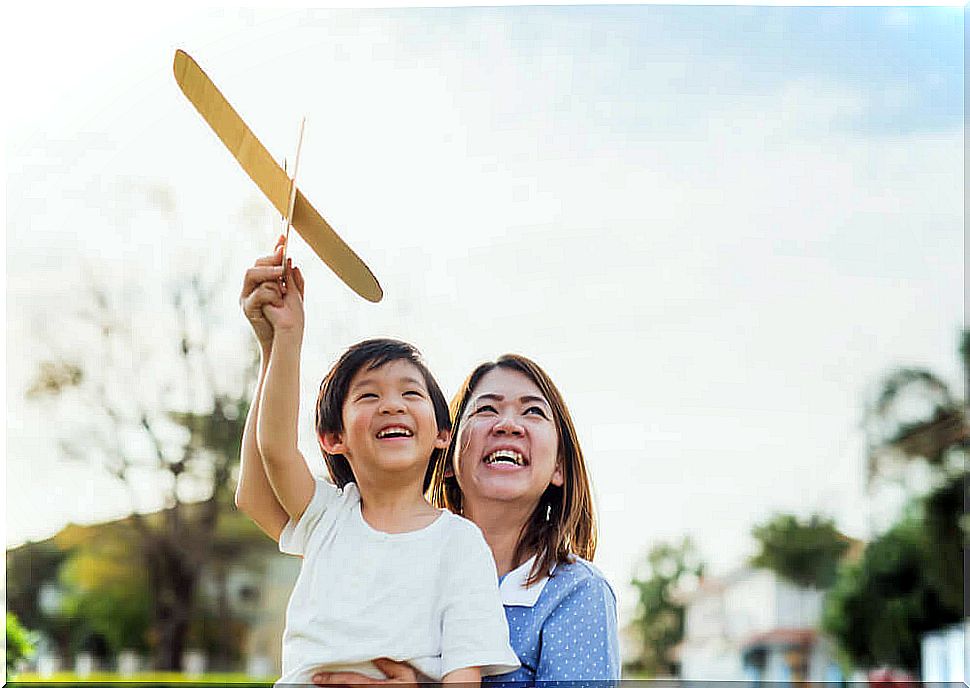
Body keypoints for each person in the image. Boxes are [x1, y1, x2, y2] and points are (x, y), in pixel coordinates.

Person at [235, 237, 520, 686]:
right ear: (334, 438)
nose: (393, 405)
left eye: (411, 392)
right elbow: (273, 449)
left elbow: (464, 675)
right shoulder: (326, 516)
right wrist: (283, 341)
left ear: (443, 434)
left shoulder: (461, 545)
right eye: (369, 395)